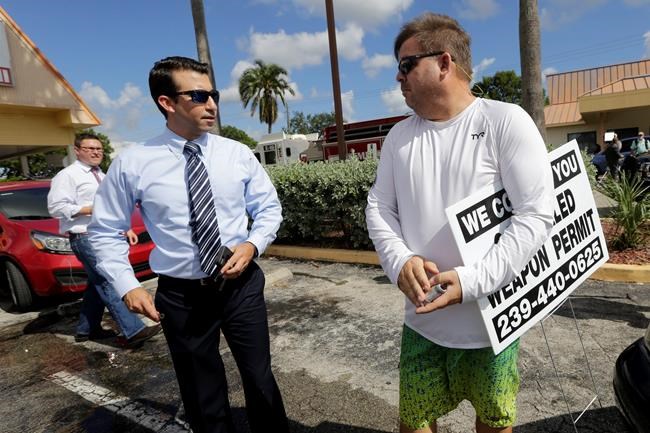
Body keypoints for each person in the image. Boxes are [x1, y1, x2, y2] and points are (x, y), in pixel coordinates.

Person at [365, 13, 554, 433]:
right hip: (422, 322)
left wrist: (471, 282)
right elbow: (379, 207)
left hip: (490, 326)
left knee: (493, 420)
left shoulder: (505, 122)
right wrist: (399, 260)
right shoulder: (398, 138)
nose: (399, 77)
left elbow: (536, 214)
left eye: (406, 64)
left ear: (444, 63)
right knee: (413, 420)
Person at [87, 56, 288, 433]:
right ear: (167, 102)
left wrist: (252, 245)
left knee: (259, 378)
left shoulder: (236, 154)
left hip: (240, 285)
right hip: (182, 296)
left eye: (212, 94)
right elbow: (103, 231)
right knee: (201, 390)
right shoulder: (134, 163)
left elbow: (268, 209)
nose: (211, 103)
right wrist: (127, 285)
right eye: (198, 95)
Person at [47, 133, 162, 347]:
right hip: (85, 236)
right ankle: (133, 329)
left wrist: (125, 228)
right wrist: (90, 208)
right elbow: (56, 207)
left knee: (97, 283)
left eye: (99, 149)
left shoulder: (102, 174)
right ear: (77, 150)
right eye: (90, 148)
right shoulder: (68, 176)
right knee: (109, 280)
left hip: (107, 235)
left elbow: (114, 207)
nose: (95, 152)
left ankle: (85, 329)